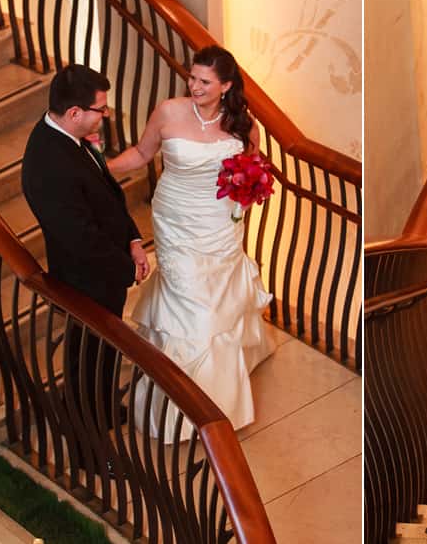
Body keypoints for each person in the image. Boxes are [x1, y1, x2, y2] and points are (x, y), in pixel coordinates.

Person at [108, 45, 273, 439]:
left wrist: (249, 189)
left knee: (217, 300)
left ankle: (215, 398)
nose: (193, 85)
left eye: (204, 81)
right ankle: (185, 405)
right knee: (193, 305)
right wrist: (97, 170)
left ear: (226, 86)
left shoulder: (242, 125)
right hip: (176, 220)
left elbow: (255, 165)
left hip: (220, 223)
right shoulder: (169, 111)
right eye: (192, 77)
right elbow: (141, 153)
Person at [21, 65, 150, 438]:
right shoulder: (49, 164)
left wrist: (133, 238)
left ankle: (106, 408)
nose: (105, 115)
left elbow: (107, 193)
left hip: (102, 272)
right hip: (84, 282)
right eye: (101, 109)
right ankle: (88, 446)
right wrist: (125, 270)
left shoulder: (70, 136)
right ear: (75, 113)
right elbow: (81, 238)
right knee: (87, 365)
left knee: (104, 357)